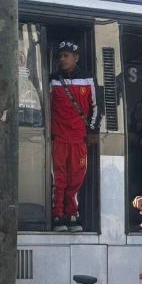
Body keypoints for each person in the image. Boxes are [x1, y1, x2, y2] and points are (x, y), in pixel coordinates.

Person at [50, 41, 102, 232]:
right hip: (58, 138)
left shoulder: (88, 79)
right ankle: (58, 216)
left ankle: (73, 215)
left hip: (79, 138)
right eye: (60, 56)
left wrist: (92, 131)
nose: (62, 59)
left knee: (76, 179)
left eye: (66, 56)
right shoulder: (53, 79)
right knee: (59, 180)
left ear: (76, 58)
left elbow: (97, 107)